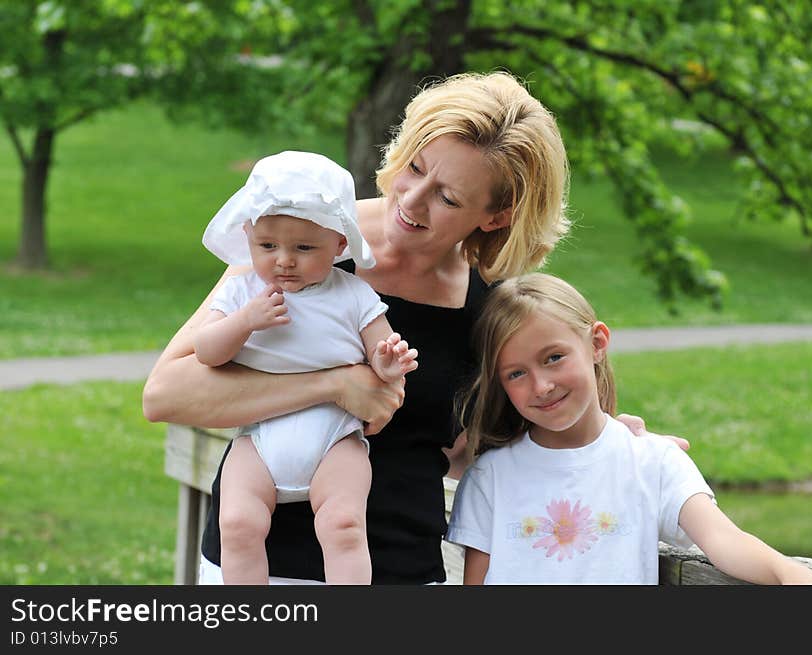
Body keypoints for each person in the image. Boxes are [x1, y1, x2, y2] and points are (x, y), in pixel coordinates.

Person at [143, 71, 678, 584]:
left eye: (448, 198)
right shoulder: (307, 238)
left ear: (496, 216)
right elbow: (166, 394)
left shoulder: (488, 304)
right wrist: (333, 385)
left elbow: (477, 448)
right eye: (417, 168)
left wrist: (606, 444)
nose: (412, 201)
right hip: (255, 565)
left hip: (403, 572)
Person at [446, 273, 812, 585]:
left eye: (554, 357)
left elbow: (722, 539)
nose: (542, 385)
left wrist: (790, 574)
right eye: (517, 373)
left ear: (596, 344)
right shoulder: (490, 477)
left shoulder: (653, 462)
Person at [192, 151, 418, 584]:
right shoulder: (244, 291)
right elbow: (206, 351)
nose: (284, 260)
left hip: (335, 439)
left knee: (344, 525)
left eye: (304, 248)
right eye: (267, 246)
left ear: (338, 245)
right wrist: (245, 323)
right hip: (258, 438)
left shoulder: (352, 294)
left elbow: (381, 356)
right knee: (238, 524)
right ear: (248, 236)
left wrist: (389, 363)